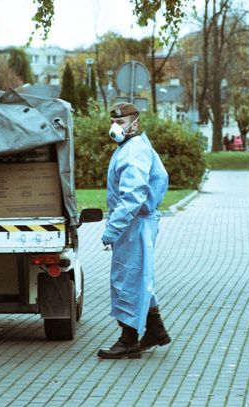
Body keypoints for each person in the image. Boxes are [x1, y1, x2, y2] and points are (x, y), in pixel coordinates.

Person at [97, 102, 171, 359]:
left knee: (128, 280)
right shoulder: (132, 148)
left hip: (134, 225)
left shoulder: (133, 152)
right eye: (112, 122)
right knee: (138, 278)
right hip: (137, 224)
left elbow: (132, 198)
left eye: (121, 122)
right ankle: (155, 331)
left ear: (135, 124)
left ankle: (128, 339)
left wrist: (111, 230)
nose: (114, 127)